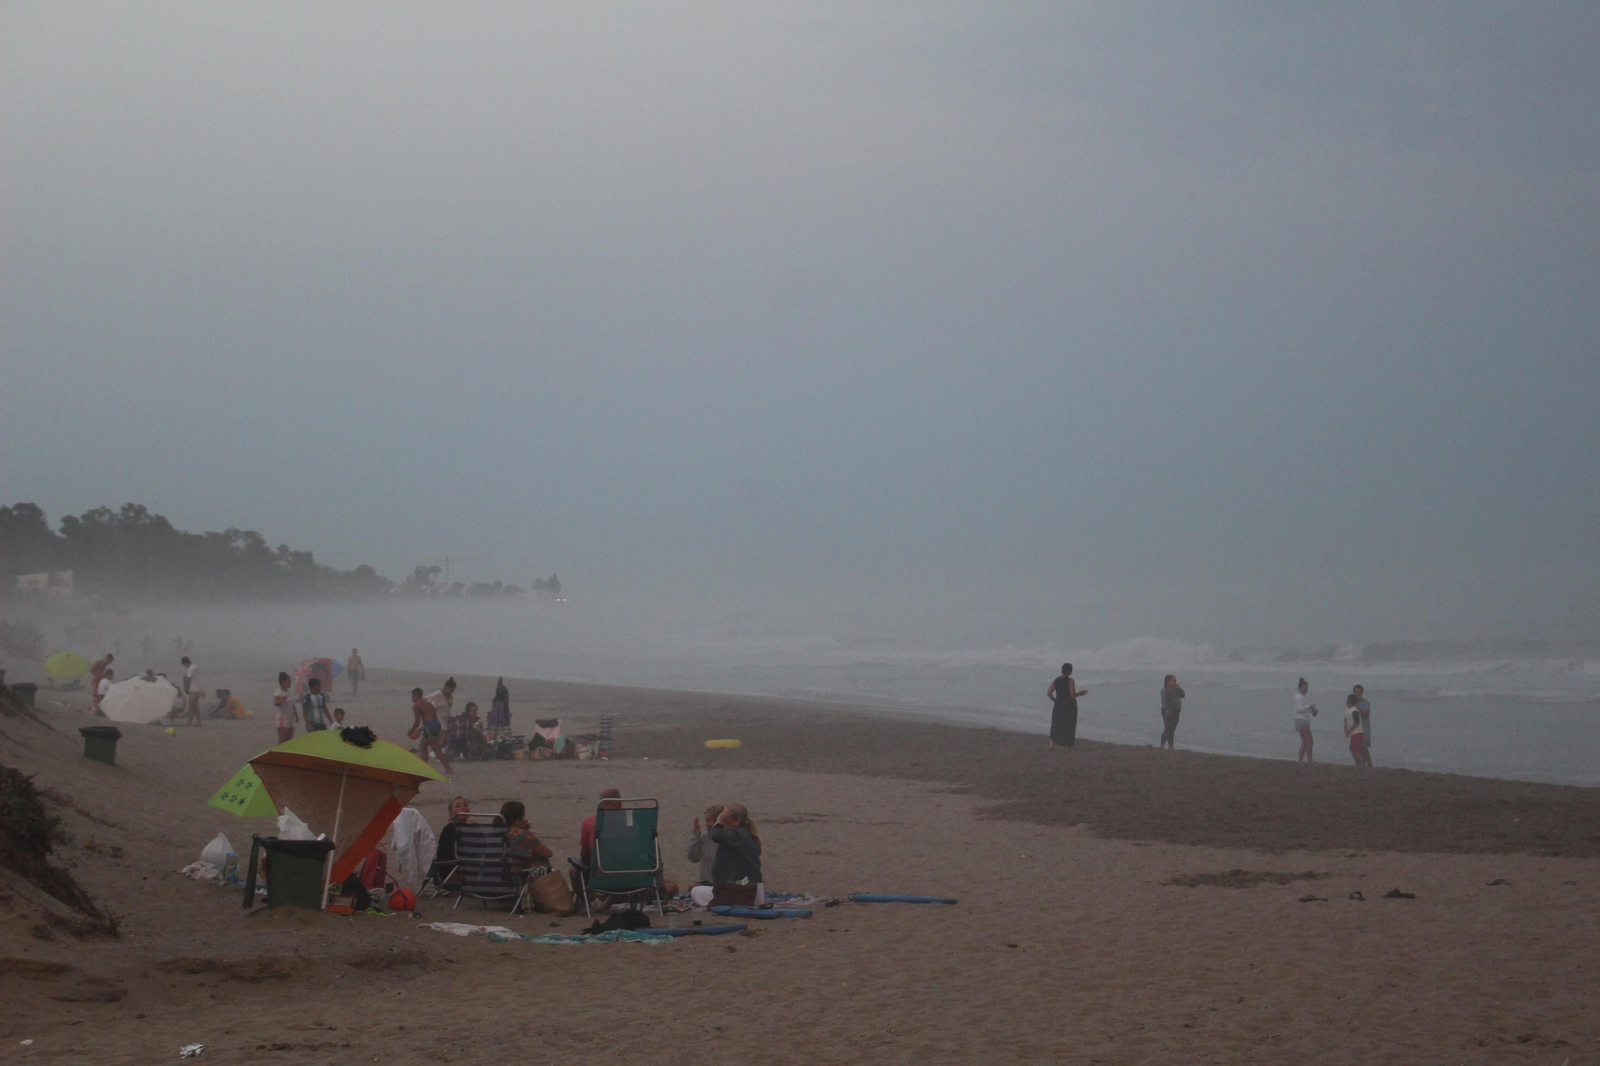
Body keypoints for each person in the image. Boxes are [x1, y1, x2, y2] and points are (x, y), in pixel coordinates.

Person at [706, 803, 763, 907]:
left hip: (743, 890)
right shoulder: (748, 835)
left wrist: (718, 822)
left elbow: (716, 835)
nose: (723, 823)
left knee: (696, 891)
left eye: (725, 820)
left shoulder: (736, 834)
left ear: (737, 821)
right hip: (754, 889)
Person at [501, 801, 554, 875]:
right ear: (517, 821)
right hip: (515, 877)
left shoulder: (495, 832)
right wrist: (526, 832)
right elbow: (548, 853)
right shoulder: (521, 834)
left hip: (495, 875)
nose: (525, 820)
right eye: (523, 818)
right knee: (541, 860)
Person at [431, 796, 473, 887]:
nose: (463, 808)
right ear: (450, 814)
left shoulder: (473, 828)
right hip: (451, 873)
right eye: (457, 806)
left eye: (465, 805)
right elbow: (449, 856)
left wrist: (478, 830)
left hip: (468, 870)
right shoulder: (449, 830)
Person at [1046, 663, 1088, 749]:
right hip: (1069, 705)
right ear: (1069, 671)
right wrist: (1080, 693)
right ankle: (1068, 744)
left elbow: (1049, 692)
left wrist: (1055, 700)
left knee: (1056, 724)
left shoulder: (1056, 680)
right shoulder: (1070, 681)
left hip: (1058, 705)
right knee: (1069, 724)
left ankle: (1051, 744)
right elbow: (1072, 695)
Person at [410, 687, 452, 773]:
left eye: (412, 697)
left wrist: (412, 730)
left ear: (414, 696)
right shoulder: (427, 703)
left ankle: (448, 769)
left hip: (430, 726)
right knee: (423, 747)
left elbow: (417, 721)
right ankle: (424, 768)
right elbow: (431, 718)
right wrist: (422, 729)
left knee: (436, 749)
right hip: (435, 724)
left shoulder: (416, 705)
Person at [687, 804, 724, 884]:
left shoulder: (728, 838)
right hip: (707, 882)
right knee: (692, 887)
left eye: (709, 821)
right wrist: (695, 834)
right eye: (706, 820)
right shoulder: (704, 837)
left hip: (723, 883)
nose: (706, 824)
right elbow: (693, 858)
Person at [1294, 678, 1318, 763]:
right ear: (1300, 688)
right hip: (1301, 721)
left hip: (1302, 720)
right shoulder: (1299, 697)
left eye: (1307, 688)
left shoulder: (1303, 697)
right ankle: (1310, 760)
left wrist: (1312, 711)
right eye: (1304, 688)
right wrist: (1309, 707)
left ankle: (1300, 760)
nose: (1306, 690)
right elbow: (1299, 709)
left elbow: (1304, 710)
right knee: (1309, 741)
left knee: (1304, 742)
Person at [1159, 675, 1186, 749]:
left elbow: (1183, 695)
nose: (1175, 683)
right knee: (1168, 728)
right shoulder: (1165, 690)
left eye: (1175, 681)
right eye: (1173, 681)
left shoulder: (1176, 689)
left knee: (1172, 729)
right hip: (1168, 711)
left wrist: (1178, 687)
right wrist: (1166, 710)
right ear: (1168, 682)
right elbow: (1164, 701)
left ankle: (1171, 746)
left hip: (1176, 711)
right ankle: (1162, 745)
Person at [1342, 694, 1369, 767]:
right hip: (1353, 733)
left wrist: (1350, 730)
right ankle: (1357, 763)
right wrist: (1345, 730)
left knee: (1356, 749)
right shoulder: (1348, 710)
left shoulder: (1354, 711)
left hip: (1358, 732)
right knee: (1352, 748)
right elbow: (1345, 720)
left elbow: (1356, 722)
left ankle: (1361, 764)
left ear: (1349, 701)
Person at [272, 671, 297, 743]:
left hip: (291, 717)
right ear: (284, 682)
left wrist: (296, 714)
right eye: (289, 681)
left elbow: (292, 704)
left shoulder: (289, 692)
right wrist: (283, 699)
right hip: (283, 718)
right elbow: (276, 702)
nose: (290, 683)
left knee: (289, 739)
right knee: (282, 739)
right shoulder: (278, 692)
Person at [1352, 684, 1373, 764]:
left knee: (1363, 747)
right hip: (1356, 728)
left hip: (1364, 727)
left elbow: (1367, 714)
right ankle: (1361, 763)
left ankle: (1369, 763)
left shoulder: (1365, 702)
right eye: (1355, 692)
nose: (1357, 694)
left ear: (1361, 693)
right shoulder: (1352, 702)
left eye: (1358, 692)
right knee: (1356, 747)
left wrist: (1358, 710)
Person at [179, 656, 202, 726]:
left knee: (191, 707)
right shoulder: (195, 667)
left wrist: (186, 688)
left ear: (186, 663)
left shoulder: (190, 669)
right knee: (195, 707)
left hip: (193, 690)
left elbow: (188, 679)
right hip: (197, 689)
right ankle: (198, 722)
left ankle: (190, 722)